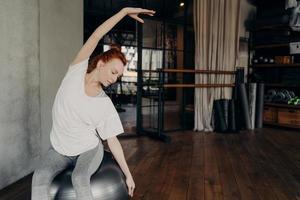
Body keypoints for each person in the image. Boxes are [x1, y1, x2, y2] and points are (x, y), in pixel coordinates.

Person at [31, 7, 155, 200]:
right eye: (114, 72)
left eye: (119, 76)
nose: (115, 79)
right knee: (39, 177)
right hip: (59, 149)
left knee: (80, 178)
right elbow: (97, 35)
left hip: (88, 149)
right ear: (101, 64)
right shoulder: (75, 72)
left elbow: (112, 142)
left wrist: (129, 175)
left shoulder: (104, 104)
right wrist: (123, 13)